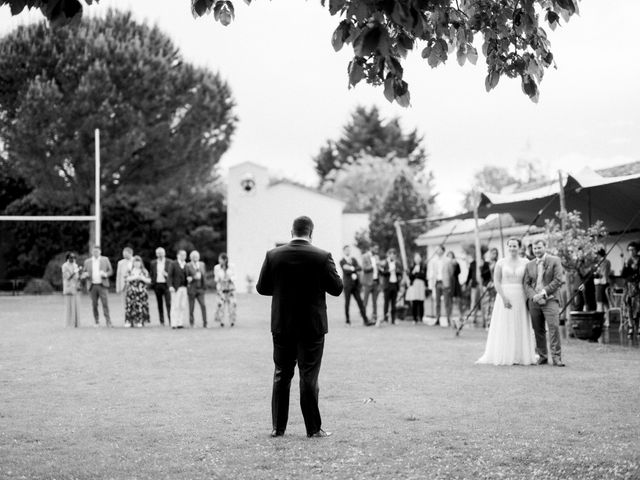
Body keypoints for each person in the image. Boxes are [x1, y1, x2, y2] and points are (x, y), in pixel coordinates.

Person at [256, 216, 342, 438]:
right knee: (309, 377)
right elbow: (337, 288)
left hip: (283, 324)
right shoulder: (322, 256)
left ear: (291, 231)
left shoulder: (273, 255)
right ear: (311, 233)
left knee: (281, 375)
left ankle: (278, 428)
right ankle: (313, 429)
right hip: (311, 326)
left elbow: (262, 288)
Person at [476, 238, 537, 365]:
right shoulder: (501, 263)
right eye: (510, 246)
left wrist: (528, 296)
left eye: (515, 246)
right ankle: (505, 353)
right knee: (505, 324)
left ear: (519, 247)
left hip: (521, 296)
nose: (512, 248)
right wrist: (503, 297)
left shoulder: (526, 262)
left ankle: (520, 354)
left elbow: (530, 280)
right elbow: (497, 281)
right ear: (507, 247)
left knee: (519, 324)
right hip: (505, 295)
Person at [523, 239, 565, 367]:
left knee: (554, 328)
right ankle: (542, 356)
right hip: (534, 301)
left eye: (539, 248)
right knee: (538, 329)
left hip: (550, 299)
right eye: (535, 248)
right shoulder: (529, 264)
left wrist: (543, 292)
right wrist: (534, 295)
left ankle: (556, 357)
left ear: (545, 247)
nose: (537, 250)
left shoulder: (555, 260)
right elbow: (526, 283)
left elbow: (558, 280)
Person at [82, 245, 113, 327]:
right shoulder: (87, 262)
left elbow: (110, 271)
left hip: (102, 285)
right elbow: (83, 272)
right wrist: (85, 275)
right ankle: (96, 321)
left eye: (97, 251)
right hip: (92, 286)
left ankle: (108, 321)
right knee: (94, 304)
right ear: (92, 252)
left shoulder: (105, 260)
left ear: (100, 252)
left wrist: (106, 274)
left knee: (105, 304)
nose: (95, 253)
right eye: (94, 251)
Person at [339, 245, 370, 326]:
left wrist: (351, 268)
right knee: (347, 303)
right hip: (347, 285)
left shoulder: (353, 259)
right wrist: (353, 269)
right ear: (344, 251)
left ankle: (365, 320)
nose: (348, 251)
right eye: (346, 250)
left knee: (360, 302)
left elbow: (359, 268)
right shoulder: (342, 261)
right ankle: (347, 320)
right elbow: (346, 272)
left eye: (349, 250)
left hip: (355, 285)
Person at [427, 245, 453, 326]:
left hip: (445, 282)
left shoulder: (448, 260)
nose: (437, 251)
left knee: (446, 302)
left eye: (438, 249)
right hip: (437, 282)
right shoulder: (434, 261)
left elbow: (451, 272)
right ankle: (437, 318)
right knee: (437, 302)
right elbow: (432, 272)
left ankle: (448, 319)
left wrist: (448, 282)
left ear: (442, 250)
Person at [378, 248, 404, 326]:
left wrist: (396, 271)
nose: (392, 255)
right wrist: (389, 270)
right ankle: (385, 319)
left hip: (395, 285)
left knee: (393, 303)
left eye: (393, 254)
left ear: (395, 255)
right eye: (390, 254)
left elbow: (401, 272)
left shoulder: (397, 263)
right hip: (387, 285)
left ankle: (393, 319)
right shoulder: (385, 263)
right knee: (386, 303)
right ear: (388, 255)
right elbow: (382, 273)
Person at [124, 255, 151, 327]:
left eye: (138, 263)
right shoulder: (130, 271)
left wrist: (142, 278)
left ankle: (140, 320)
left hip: (141, 292)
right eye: (135, 263)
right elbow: (126, 279)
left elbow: (149, 280)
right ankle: (129, 321)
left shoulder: (144, 271)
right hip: (131, 291)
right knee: (130, 306)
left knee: (140, 306)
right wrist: (135, 277)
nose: (136, 264)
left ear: (140, 263)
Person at [621, 241, 640, 336]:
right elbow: (623, 275)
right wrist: (625, 266)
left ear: (637, 250)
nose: (631, 252)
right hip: (629, 287)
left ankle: (639, 327)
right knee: (629, 307)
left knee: (638, 307)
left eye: (633, 250)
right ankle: (630, 326)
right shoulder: (628, 261)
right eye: (629, 250)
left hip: (638, 286)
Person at [150, 247, 172, 326]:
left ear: (164, 253)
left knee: (168, 303)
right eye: (158, 253)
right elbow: (152, 274)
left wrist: (167, 275)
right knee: (159, 304)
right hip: (157, 285)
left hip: (166, 285)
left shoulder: (170, 262)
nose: (160, 255)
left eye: (161, 253)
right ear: (156, 254)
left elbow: (172, 274)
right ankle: (162, 321)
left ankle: (171, 320)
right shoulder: (153, 263)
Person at [213, 252, 237, 327]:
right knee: (221, 306)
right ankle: (221, 321)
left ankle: (232, 321)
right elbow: (216, 278)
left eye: (220, 259)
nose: (219, 261)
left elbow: (235, 276)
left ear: (225, 260)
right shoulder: (217, 267)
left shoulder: (232, 266)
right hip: (221, 290)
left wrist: (230, 279)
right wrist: (220, 279)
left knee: (232, 305)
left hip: (231, 290)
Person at [186, 250, 207, 328]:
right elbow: (187, 277)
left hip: (200, 289)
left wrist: (204, 287)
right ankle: (192, 323)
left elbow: (204, 276)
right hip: (192, 289)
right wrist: (193, 277)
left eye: (197, 257)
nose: (195, 258)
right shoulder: (187, 265)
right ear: (191, 257)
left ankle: (205, 323)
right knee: (191, 307)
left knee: (203, 305)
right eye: (194, 257)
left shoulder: (202, 264)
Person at [168, 249, 189, 329]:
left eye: (185, 255)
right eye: (182, 255)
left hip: (184, 287)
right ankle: (174, 323)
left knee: (182, 306)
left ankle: (180, 322)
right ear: (178, 255)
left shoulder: (186, 265)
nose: (184, 257)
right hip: (176, 288)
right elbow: (169, 276)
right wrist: (170, 286)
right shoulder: (173, 264)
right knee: (175, 306)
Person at [361, 244, 381, 323]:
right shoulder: (365, 256)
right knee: (365, 301)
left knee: (375, 301)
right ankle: (364, 318)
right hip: (368, 282)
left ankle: (374, 318)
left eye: (377, 248)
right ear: (371, 248)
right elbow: (364, 268)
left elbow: (379, 269)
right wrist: (373, 265)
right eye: (375, 248)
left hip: (376, 281)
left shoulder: (377, 257)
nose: (377, 250)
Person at [406, 251, 426, 323]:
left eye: (418, 258)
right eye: (416, 258)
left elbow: (424, 276)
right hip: (414, 285)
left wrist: (418, 274)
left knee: (421, 302)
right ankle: (414, 318)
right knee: (414, 302)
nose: (417, 259)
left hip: (421, 285)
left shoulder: (423, 266)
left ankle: (421, 317)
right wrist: (414, 272)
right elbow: (410, 276)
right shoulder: (412, 267)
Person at [61, 252, 81, 327]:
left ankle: (76, 323)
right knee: (69, 306)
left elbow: (77, 277)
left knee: (76, 306)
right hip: (69, 288)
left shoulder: (75, 265)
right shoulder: (64, 266)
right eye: (71, 257)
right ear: (68, 258)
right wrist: (75, 272)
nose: (73, 259)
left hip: (75, 288)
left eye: (74, 257)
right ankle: (69, 323)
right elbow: (67, 277)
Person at [481, 247, 499, 328]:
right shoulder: (486, 264)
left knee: (494, 304)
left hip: (495, 286)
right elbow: (483, 275)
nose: (493, 255)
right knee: (486, 304)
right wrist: (490, 268)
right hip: (487, 285)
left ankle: (493, 322)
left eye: (495, 253)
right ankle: (486, 322)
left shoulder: (498, 263)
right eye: (492, 253)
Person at [593, 248, 611, 325]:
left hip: (600, 283)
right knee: (605, 303)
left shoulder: (601, 263)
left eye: (596, 254)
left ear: (599, 255)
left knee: (600, 302)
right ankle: (607, 320)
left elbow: (599, 274)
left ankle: (601, 320)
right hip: (605, 283)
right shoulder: (607, 262)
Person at [447, 251, 464, 329]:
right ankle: (452, 319)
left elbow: (458, 272)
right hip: (450, 284)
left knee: (458, 300)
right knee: (451, 302)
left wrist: (455, 264)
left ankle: (460, 316)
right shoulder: (447, 265)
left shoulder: (456, 264)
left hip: (455, 283)